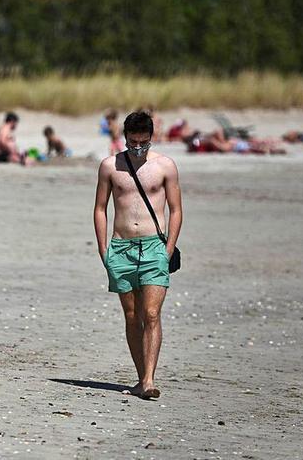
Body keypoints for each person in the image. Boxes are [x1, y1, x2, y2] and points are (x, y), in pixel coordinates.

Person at [93, 111, 182, 400]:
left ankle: (148, 380)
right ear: (125, 137)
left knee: (152, 313)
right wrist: (102, 248)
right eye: (133, 143)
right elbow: (100, 208)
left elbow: (176, 209)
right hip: (121, 247)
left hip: (154, 245)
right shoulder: (110, 166)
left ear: (151, 138)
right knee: (132, 316)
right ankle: (140, 374)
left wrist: (169, 247)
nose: (138, 148)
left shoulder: (165, 166)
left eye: (143, 143)